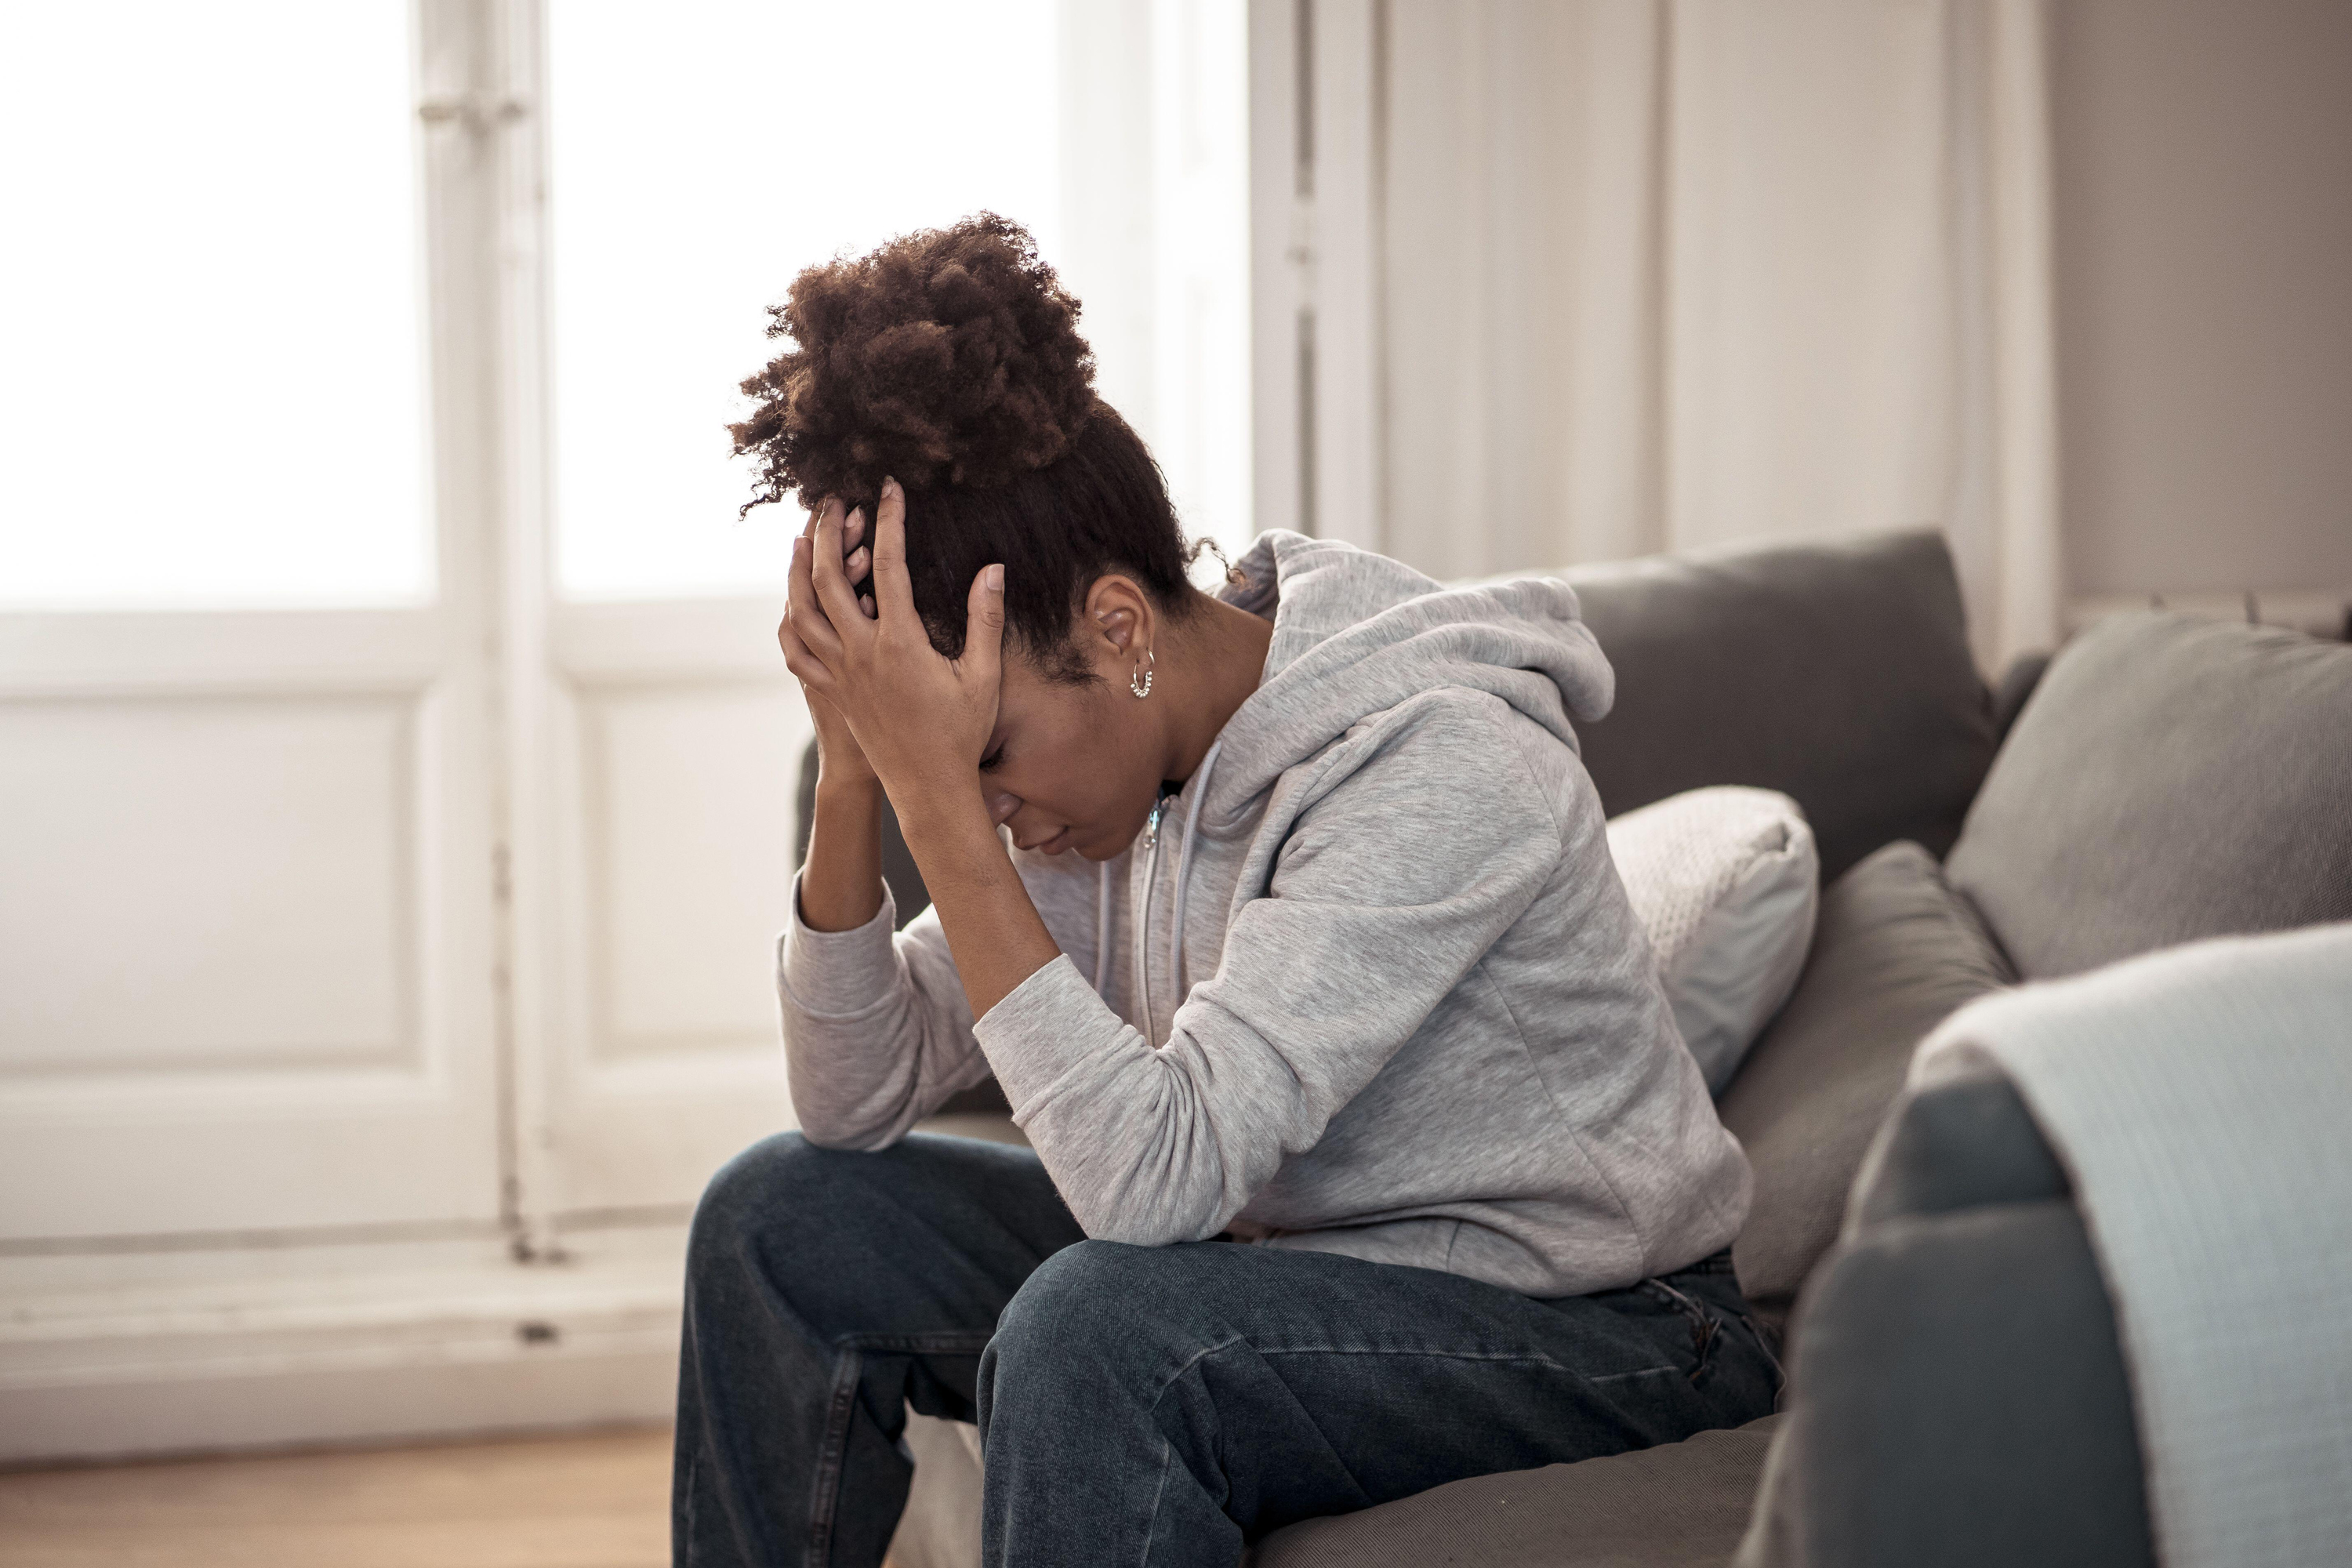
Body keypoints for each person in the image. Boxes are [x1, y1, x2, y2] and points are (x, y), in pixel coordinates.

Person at [671, 213, 1777, 1568]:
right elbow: (852, 1101)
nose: (988, 808)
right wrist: (857, 774)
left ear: (1119, 628)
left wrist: (941, 808)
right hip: (1300, 1271)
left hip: (1611, 1325)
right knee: (781, 1215)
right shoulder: (1119, 793)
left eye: (991, 754)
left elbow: (1156, 1186)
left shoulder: (1437, 762)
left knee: (1097, 1332)